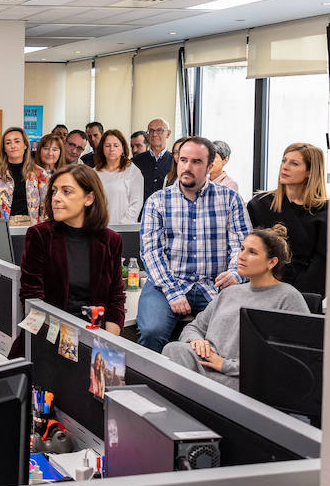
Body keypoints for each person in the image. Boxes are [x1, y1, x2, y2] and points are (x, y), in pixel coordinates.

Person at [136, 137, 251, 353]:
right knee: (152, 331)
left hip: (215, 284)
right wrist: (172, 291)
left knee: (231, 336)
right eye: (183, 160)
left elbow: (242, 246)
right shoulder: (157, 201)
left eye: (196, 162)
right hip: (166, 282)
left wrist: (236, 273)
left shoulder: (230, 199)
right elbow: (151, 252)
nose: (187, 167)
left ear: (210, 166)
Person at [162, 225, 309, 388]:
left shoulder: (288, 297)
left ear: (272, 262)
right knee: (173, 349)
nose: (241, 257)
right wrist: (196, 341)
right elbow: (194, 327)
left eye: (252, 252)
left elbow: (293, 360)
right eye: (242, 249)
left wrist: (225, 365)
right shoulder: (229, 292)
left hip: (242, 379)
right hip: (206, 369)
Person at [13, 164, 125, 357]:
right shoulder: (40, 235)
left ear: (89, 198)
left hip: (95, 338)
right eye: (54, 191)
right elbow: (32, 298)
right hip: (49, 336)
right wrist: (67, 347)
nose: (56, 198)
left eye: (67, 192)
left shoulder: (111, 240)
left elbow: (115, 297)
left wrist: (107, 344)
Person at [247, 143, 329, 297]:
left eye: (294, 163)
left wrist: (294, 297)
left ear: (310, 171)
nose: (284, 167)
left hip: (305, 293)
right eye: (284, 161)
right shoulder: (259, 205)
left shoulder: (326, 211)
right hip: (262, 291)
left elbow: (321, 263)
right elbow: (249, 251)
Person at [0, 126, 46, 221]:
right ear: (4, 148)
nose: (13, 146)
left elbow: (45, 206)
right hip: (2, 227)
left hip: (31, 227)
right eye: (8, 143)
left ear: (25, 145)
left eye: (17, 141)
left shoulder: (39, 173)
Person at [92, 130, 144, 225]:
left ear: (122, 148)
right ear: (102, 148)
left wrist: (122, 225)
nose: (111, 149)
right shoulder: (94, 173)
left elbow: (136, 204)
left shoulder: (133, 172)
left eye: (116, 145)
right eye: (107, 146)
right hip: (99, 228)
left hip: (123, 229)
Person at [131, 117, 172, 199]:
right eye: (151, 131)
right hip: (141, 209)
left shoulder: (175, 161)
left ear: (168, 133)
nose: (154, 134)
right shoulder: (135, 161)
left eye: (159, 130)